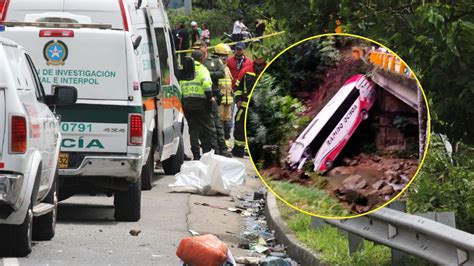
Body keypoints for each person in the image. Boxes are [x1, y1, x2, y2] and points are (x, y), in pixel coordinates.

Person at [180, 50, 217, 160]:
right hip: (201, 102)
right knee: (209, 128)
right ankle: (213, 153)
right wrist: (209, 99)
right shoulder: (202, 69)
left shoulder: (186, 70)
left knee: (193, 130)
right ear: (201, 58)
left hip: (187, 102)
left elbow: (181, 85)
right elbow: (206, 84)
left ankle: (196, 154)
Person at [197, 43, 231, 157]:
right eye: (196, 49)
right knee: (203, 127)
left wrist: (206, 74)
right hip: (199, 97)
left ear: (205, 48)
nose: (199, 51)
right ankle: (207, 150)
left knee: (217, 124)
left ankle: (222, 150)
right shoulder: (195, 61)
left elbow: (221, 73)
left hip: (212, 96)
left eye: (200, 48)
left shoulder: (215, 61)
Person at [232, 49, 267, 157]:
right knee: (239, 127)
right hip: (245, 106)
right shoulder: (246, 71)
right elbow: (238, 87)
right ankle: (238, 149)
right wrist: (238, 99)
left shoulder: (268, 69)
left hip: (260, 107)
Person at [214, 43, 234, 147]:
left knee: (227, 125)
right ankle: (220, 144)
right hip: (220, 101)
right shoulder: (217, 69)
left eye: (226, 56)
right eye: (223, 56)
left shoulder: (226, 68)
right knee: (219, 123)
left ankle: (226, 143)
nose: (225, 58)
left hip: (228, 102)